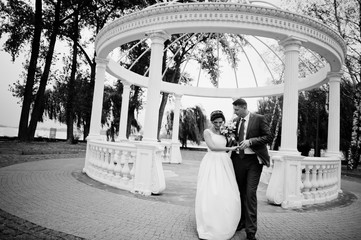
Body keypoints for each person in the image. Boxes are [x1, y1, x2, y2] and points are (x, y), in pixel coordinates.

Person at [195, 110, 241, 240]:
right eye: (215, 122)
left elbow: (232, 142)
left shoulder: (226, 132)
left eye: (220, 122)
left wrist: (232, 145)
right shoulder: (207, 132)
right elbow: (213, 147)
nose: (218, 125)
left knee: (226, 191)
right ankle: (209, 224)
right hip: (211, 162)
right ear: (211, 122)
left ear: (224, 121)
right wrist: (230, 149)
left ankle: (225, 222)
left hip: (225, 163)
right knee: (211, 192)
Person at [230, 98, 272, 240]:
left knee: (250, 193)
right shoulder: (235, 121)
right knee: (240, 193)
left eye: (236, 109)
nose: (234, 112)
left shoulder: (259, 119)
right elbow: (233, 138)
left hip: (254, 161)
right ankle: (241, 222)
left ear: (244, 107)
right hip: (238, 161)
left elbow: (268, 136)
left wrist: (251, 141)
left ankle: (251, 232)